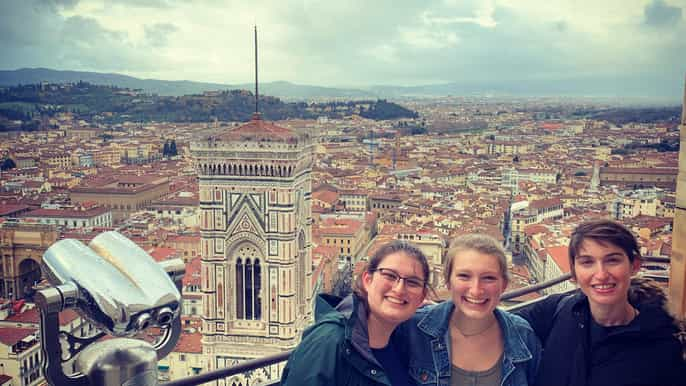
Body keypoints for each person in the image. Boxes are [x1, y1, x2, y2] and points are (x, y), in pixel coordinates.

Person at [515, 219, 686, 386]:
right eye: (587, 262)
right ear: (574, 273)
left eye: (612, 260)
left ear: (634, 265)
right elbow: (497, 325)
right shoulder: (555, 311)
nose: (601, 274)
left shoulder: (663, 349)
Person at [281, 240, 430, 386]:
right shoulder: (328, 342)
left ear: (422, 297)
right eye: (390, 275)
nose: (399, 289)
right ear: (367, 280)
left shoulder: (405, 344)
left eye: (412, 282)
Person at [402, 234, 541, 386]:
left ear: (504, 285)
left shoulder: (523, 335)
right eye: (464, 276)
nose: (476, 290)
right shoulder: (413, 329)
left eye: (488, 278)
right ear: (448, 281)